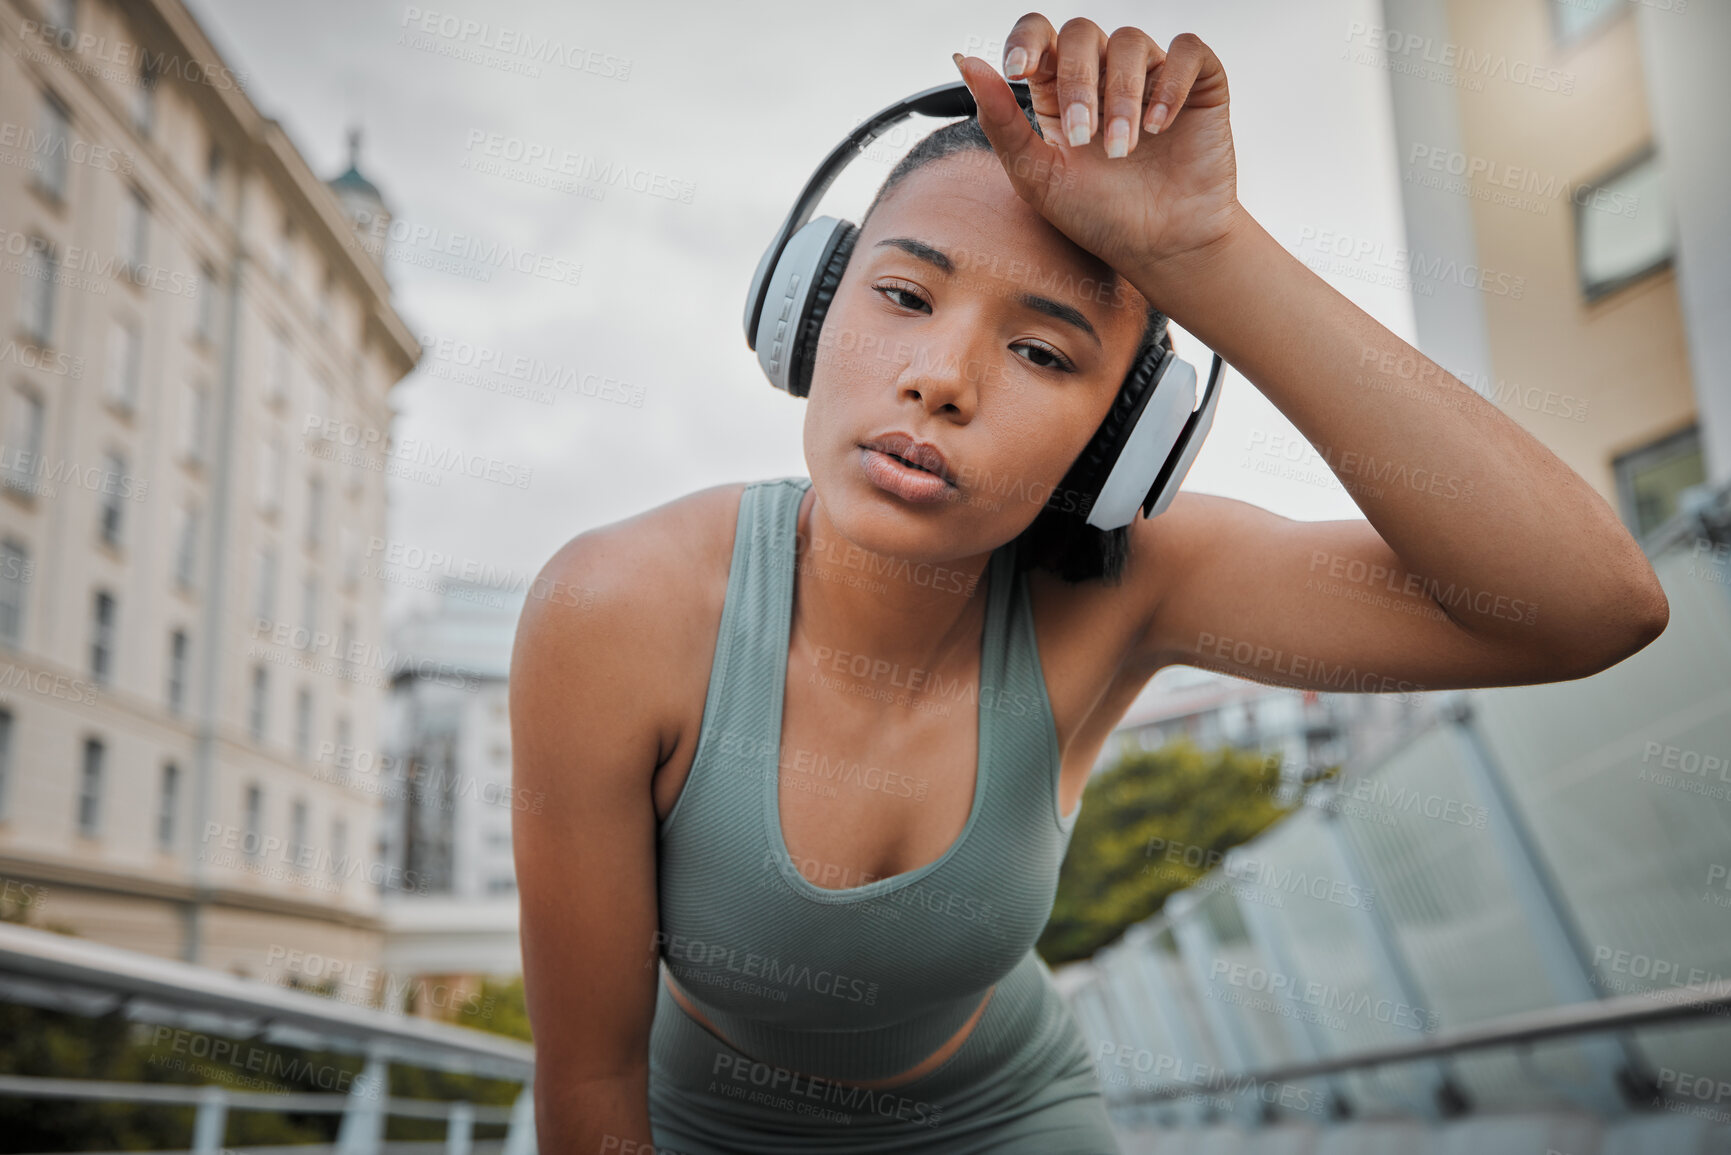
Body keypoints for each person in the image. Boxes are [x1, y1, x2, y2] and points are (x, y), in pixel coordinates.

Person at [509, 14, 1669, 1154]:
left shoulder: (1132, 590)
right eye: (904, 296)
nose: (940, 380)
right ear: (804, 308)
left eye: (1042, 352)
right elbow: (591, 1077)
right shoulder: (616, 608)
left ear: (1123, 445)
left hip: (999, 1114)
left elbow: (1591, 606)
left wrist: (1209, 255)